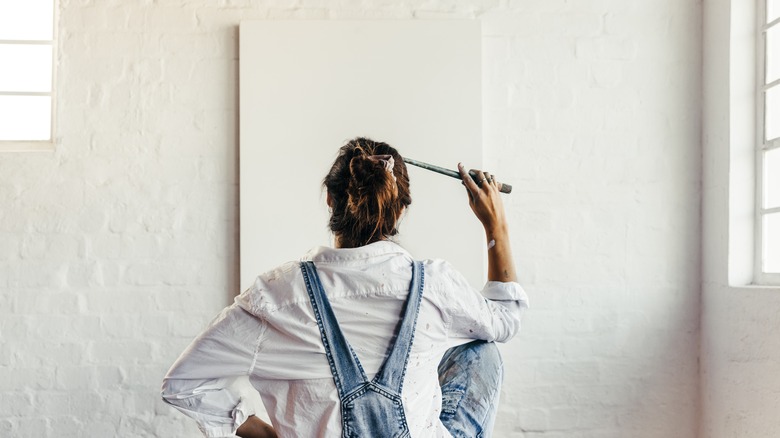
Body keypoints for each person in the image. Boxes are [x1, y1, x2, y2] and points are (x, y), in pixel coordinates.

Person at [161, 137, 528, 438]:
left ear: (331, 200)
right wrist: (496, 226)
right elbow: (505, 319)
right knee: (481, 350)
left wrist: (268, 435)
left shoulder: (276, 296)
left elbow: (182, 383)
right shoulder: (434, 283)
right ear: (399, 211)